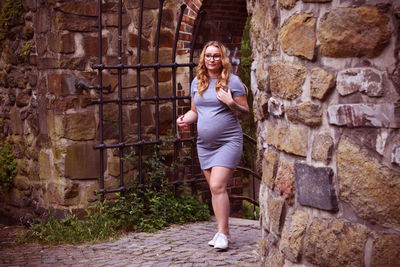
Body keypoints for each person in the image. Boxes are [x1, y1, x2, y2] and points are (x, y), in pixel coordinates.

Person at [177, 41, 249, 250]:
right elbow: (195, 111)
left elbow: (245, 113)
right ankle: (221, 232)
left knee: (217, 186)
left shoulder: (232, 82)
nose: (211, 59)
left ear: (222, 58)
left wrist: (230, 102)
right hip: (205, 144)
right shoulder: (197, 82)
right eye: (208, 56)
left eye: (216, 56)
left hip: (228, 141)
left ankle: (223, 234)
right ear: (203, 59)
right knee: (215, 190)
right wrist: (184, 119)